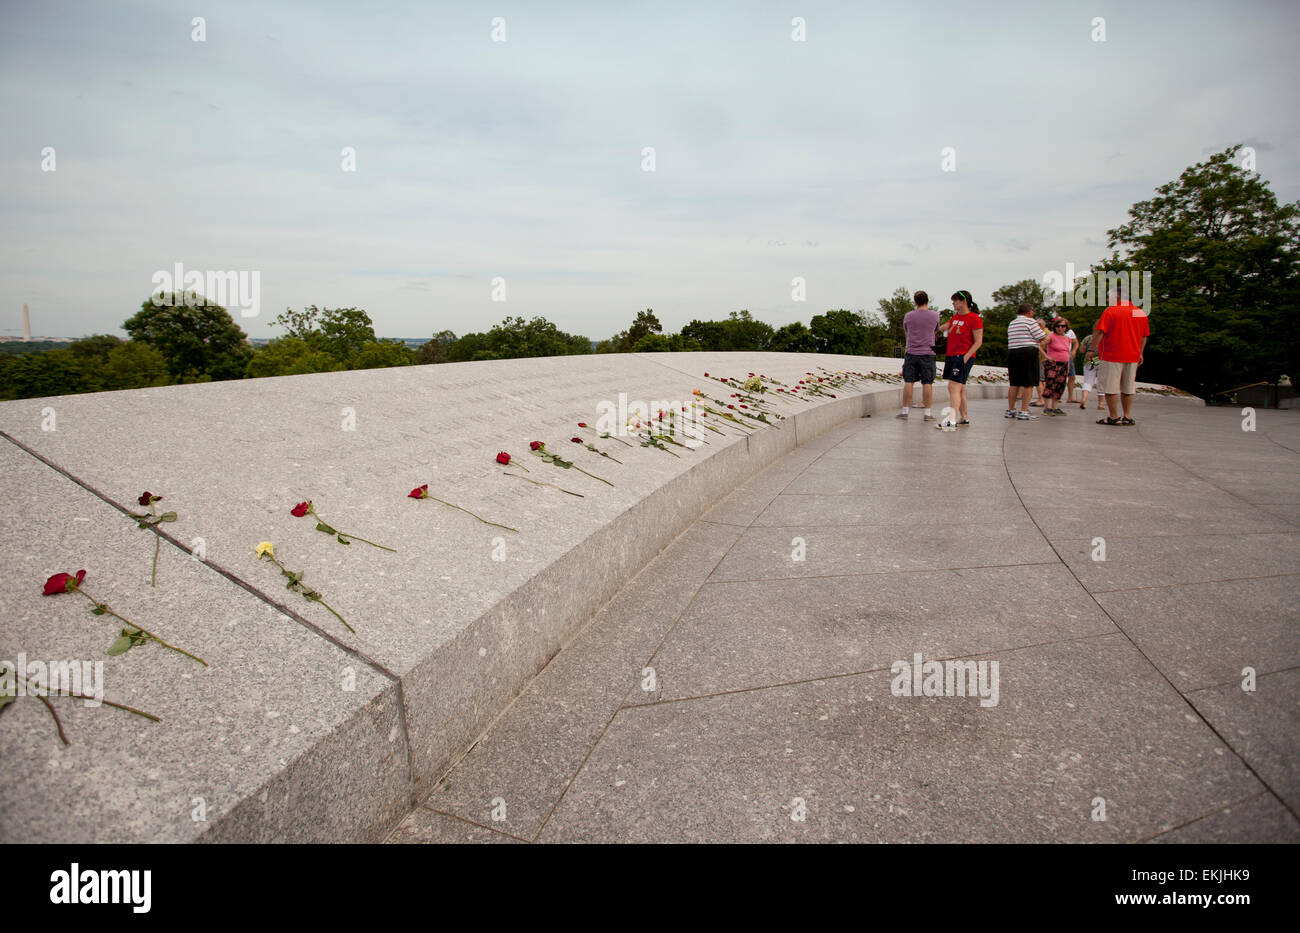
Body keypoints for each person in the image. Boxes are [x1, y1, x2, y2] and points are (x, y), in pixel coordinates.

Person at [1094, 281, 1150, 426]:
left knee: (1111, 387)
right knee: (1128, 387)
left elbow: (1100, 332)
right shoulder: (1139, 312)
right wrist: (1140, 353)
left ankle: (1113, 416)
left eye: (1109, 297)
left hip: (1112, 355)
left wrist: (1090, 350)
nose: (1107, 300)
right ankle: (1127, 416)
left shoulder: (1110, 311)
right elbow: (1144, 336)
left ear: (1117, 297)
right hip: (1132, 355)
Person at [936, 290, 983, 428]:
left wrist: (967, 356)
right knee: (959, 388)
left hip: (962, 356)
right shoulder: (955, 317)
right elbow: (946, 327)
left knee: (953, 387)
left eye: (955, 300)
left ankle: (952, 420)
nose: (953, 303)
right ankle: (964, 417)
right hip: (951, 355)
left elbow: (978, 341)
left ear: (963, 302)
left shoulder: (974, 318)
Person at [897, 290, 940, 421]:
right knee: (927, 383)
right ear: (927, 300)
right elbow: (936, 330)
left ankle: (905, 411)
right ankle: (927, 413)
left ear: (915, 301)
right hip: (928, 353)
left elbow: (907, 332)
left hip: (911, 352)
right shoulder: (935, 315)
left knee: (908, 381)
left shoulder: (908, 316)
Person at [1005, 303, 1044, 420]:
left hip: (1013, 352)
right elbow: (1041, 336)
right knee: (1028, 383)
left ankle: (1011, 410)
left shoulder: (1012, 323)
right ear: (1029, 311)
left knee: (1014, 383)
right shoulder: (1031, 322)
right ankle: (1024, 411)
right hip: (1028, 352)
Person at [1040, 318, 1072, 415]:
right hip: (1053, 363)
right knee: (1051, 383)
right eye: (1058, 326)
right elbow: (1040, 346)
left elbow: (1068, 352)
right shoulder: (1051, 336)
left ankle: (1055, 407)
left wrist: (1069, 365)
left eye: (1062, 326)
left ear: (1066, 328)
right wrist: (1046, 356)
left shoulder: (1067, 338)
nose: (1060, 328)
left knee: (1060, 385)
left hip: (1064, 363)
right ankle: (1047, 407)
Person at [1077, 328, 1105, 411]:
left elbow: (1082, 350)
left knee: (1088, 381)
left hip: (1090, 362)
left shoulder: (1088, 338)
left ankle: (1084, 399)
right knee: (1102, 382)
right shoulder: (1105, 338)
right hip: (1102, 361)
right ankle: (1100, 404)